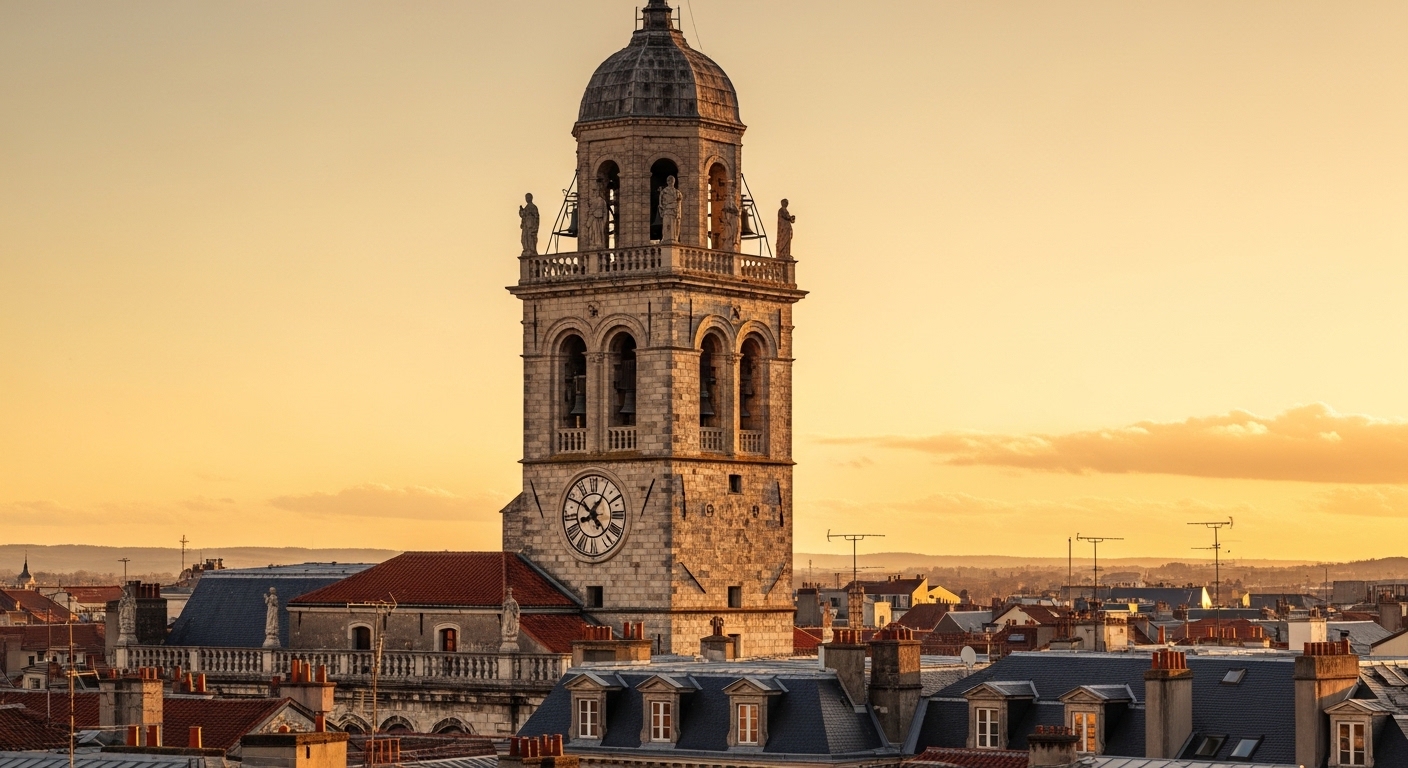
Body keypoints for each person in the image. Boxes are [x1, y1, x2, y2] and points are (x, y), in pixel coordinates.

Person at [658, 176, 683, 243]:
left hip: (674, 212)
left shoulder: (678, 193)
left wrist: (678, 213)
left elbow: (679, 204)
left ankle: (674, 239)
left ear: (674, 182)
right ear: (667, 182)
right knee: (667, 226)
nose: (671, 182)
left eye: (672, 181)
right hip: (667, 211)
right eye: (669, 181)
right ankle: (666, 239)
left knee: (674, 227)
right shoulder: (664, 192)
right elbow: (660, 204)